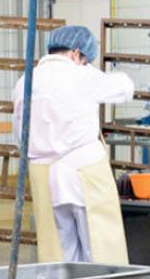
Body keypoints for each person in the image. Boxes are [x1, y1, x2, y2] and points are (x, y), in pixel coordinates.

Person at [12, 25, 134, 264]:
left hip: (43, 174)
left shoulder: (24, 82)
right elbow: (125, 87)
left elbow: (20, 134)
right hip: (85, 170)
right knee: (99, 250)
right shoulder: (80, 75)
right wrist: (90, 71)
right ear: (76, 54)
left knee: (59, 255)